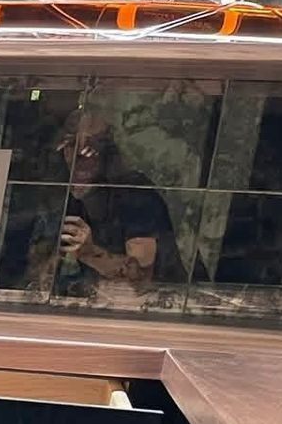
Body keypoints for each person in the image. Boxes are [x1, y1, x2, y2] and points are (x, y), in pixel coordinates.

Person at [51, 110, 184, 299]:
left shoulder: (136, 195)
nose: (80, 155)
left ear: (107, 153)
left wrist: (90, 253)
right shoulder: (71, 195)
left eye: (91, 147)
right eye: (71, 144)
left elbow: (139, 280)